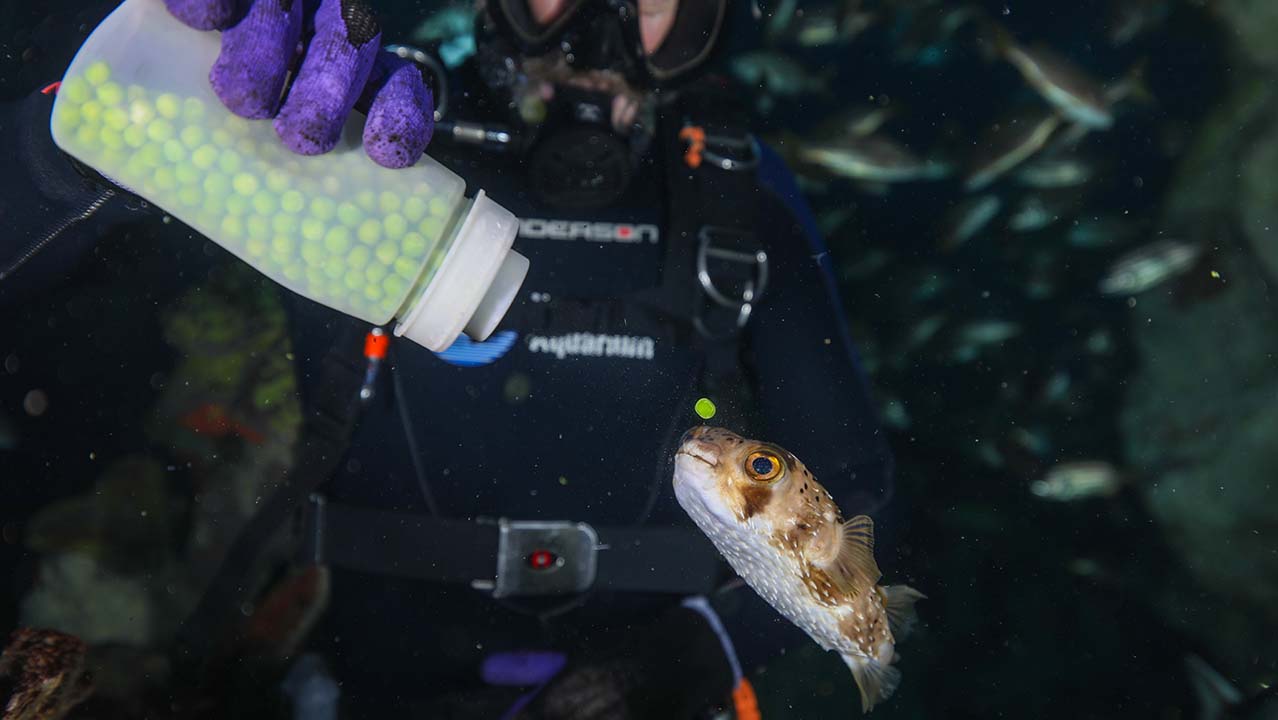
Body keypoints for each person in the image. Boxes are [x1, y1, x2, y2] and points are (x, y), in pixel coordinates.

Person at [0, 1, 897, 717]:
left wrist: (706, 650)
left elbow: (853, 500)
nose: (602, 22)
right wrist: (80, 140)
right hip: (349, 680)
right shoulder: (359, 121)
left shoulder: (740, 196)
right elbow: (61, 335)